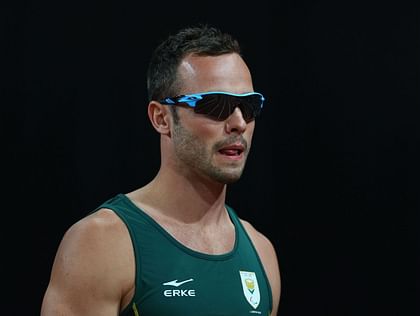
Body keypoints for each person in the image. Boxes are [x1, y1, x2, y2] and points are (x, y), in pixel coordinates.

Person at [41, 24, 281, 316]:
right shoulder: (102, 243)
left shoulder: (261, 253)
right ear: (161, 118)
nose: (239, 123)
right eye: (216, 105)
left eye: (249, 106)